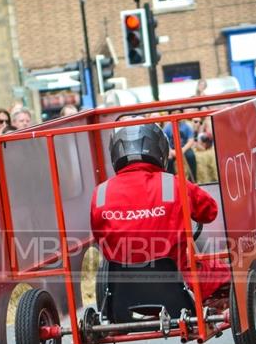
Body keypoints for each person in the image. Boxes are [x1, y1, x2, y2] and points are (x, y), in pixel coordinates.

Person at [90, 123, 230, 304]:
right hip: (179, 287)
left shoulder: (101, 192)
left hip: (123, 294)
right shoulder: (173, 183)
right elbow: (210, 212)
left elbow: (99, 236)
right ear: (159, 149)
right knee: (222, 270)